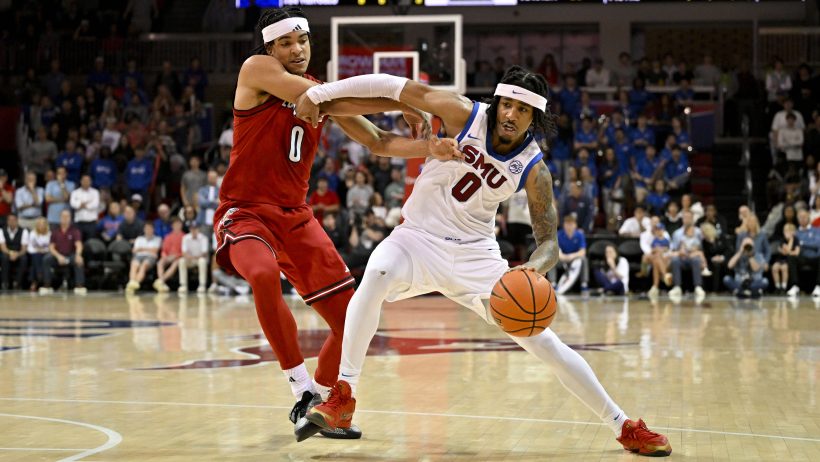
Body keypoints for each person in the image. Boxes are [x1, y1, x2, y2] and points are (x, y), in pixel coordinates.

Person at [296, 65, 671, 456]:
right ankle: (344, 396)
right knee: (377, 271)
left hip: (476, 255)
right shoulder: (462, 113)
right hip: (417, 239)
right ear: (498, 102)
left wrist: (533, 268)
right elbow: (392, 86)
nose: (510, 115)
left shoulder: (534, 168)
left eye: (522, 110)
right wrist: (322, 96)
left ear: (534, 118)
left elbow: (549, 243)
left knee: (543, 342)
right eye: (506, 104)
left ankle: (622, 424)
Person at [211, 6, 463, 441]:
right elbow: (324, 99)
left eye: (302, 41)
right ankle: (299, 387)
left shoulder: (318, 90)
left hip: (295, 216)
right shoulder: (258, 69)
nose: (296, 49)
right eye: (286, 42)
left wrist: (429, 148)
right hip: (247, 210)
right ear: (270, 47)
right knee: (262, 272)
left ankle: (323, 404)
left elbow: (379, 142)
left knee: (354, 315)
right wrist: (406, 99)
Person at [41, 209, 85, 294]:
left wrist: (78, 255)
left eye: (67, 216)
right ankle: (47, 285)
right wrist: (58, 256)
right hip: (58, 256)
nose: (65, 218)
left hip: (70, 255)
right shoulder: (55, 231)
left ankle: (79, 286)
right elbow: (51, 247)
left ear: (70, 218)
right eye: (63, 216)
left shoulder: (75, 231)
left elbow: (79, 245)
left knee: (79, 260)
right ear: (60, 218)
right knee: (46, 259)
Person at [668, 211, 708, 303]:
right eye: (685, 217)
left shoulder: (698, 232)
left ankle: (698, 287)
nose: (687, 219)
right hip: (681, 258)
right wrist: (680, 252)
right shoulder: (676, 233)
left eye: (689, 217)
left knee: (696, 259)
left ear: (692, 219)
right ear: (682, 219)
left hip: (693, 257)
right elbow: (673, 250)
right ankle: (677, 287)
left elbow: (702, 248)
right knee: (675, 260)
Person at [125, 222, 161, 293]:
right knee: (134, 264)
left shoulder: (158, 239)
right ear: (144, 229)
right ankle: (132, 282)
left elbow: (155, 251)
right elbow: (134, 250)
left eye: (150, 228)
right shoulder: (139, 238)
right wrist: (148, 249)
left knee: (144, 265)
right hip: (139, 256)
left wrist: (141, 249)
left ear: (153, 229)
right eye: (146, 228)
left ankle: (136, 284)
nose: (148, 230)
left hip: (150, 257)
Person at [154, 217, 184, 292]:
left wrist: (176, 256)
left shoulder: (184, 236)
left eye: (178, 224)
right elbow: (163, 250)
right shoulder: (167, 237)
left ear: (181, 225)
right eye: (175, 224)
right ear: (172, 226)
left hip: (178, 257)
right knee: (160, 262)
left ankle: (161, 281)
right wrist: (165, 256)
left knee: (176, 263)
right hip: (168, 256)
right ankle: (162, 282)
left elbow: (185, 251)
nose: (177, 226)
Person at [0, 214, 29, 291]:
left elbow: (24, 249)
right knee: (4, 257)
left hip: (19, 252)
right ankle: (5, 283)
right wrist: (10, 253)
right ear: (7, 221)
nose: (11, 222)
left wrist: (17, 254)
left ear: (17, 221)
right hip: (7, 252)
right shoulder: (2, 230)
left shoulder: (24, 231)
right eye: (10, 220)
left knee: (24, 258)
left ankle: (17, 283)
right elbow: (3, 247)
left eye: (13, 220)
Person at [771, 223, 801, 296]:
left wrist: (791, 240)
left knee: (784, 268)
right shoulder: (782, 240)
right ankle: (777, 287)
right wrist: (789, 251)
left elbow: (796, 252)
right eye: (786, 231)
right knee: (774, 268)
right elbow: (787, 250)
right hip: (780, 258)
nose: (787, 233)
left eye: (790, 231)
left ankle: (784, 287)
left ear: (794, 232)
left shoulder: (796, 240)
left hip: (789, 260)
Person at [179, 225, 209, 294]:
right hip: (190, 259)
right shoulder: (185, 237)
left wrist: (194, 257)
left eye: (195, 229)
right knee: (181, 261)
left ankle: (202, 285)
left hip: (200, 259)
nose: (194, 231)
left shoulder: (204, 238)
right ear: (190, 229)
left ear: (198, 229)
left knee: (202, 261)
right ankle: (183, 285)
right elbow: (184, 252)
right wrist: (190, 257)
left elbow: (204, 253)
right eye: (192, 229)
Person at [69, 175, 101, 240]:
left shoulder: (95, 192)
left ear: (90, 182)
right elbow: (73, 204)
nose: (86, 182)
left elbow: (95, 204)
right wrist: (87, 203)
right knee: (78, 241)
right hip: (79, 222)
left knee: (91, 243)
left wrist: (80, 205)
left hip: (91, 222)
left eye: (87, 181)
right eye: (84, 180)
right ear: (81, 181)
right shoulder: (75, 192)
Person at [27, 217, 51, 292]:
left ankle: (35, 282)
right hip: (35, 254)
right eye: (39, 224)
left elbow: (52, 247)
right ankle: (41, 276)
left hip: (47, 254)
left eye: (43, 224)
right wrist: (37, 250)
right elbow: (29, 248)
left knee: (40, 259)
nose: (41, 225)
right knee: (36, 256)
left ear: (46, 225)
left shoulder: (50, 233)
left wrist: (43, 250)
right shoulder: (32, 233)